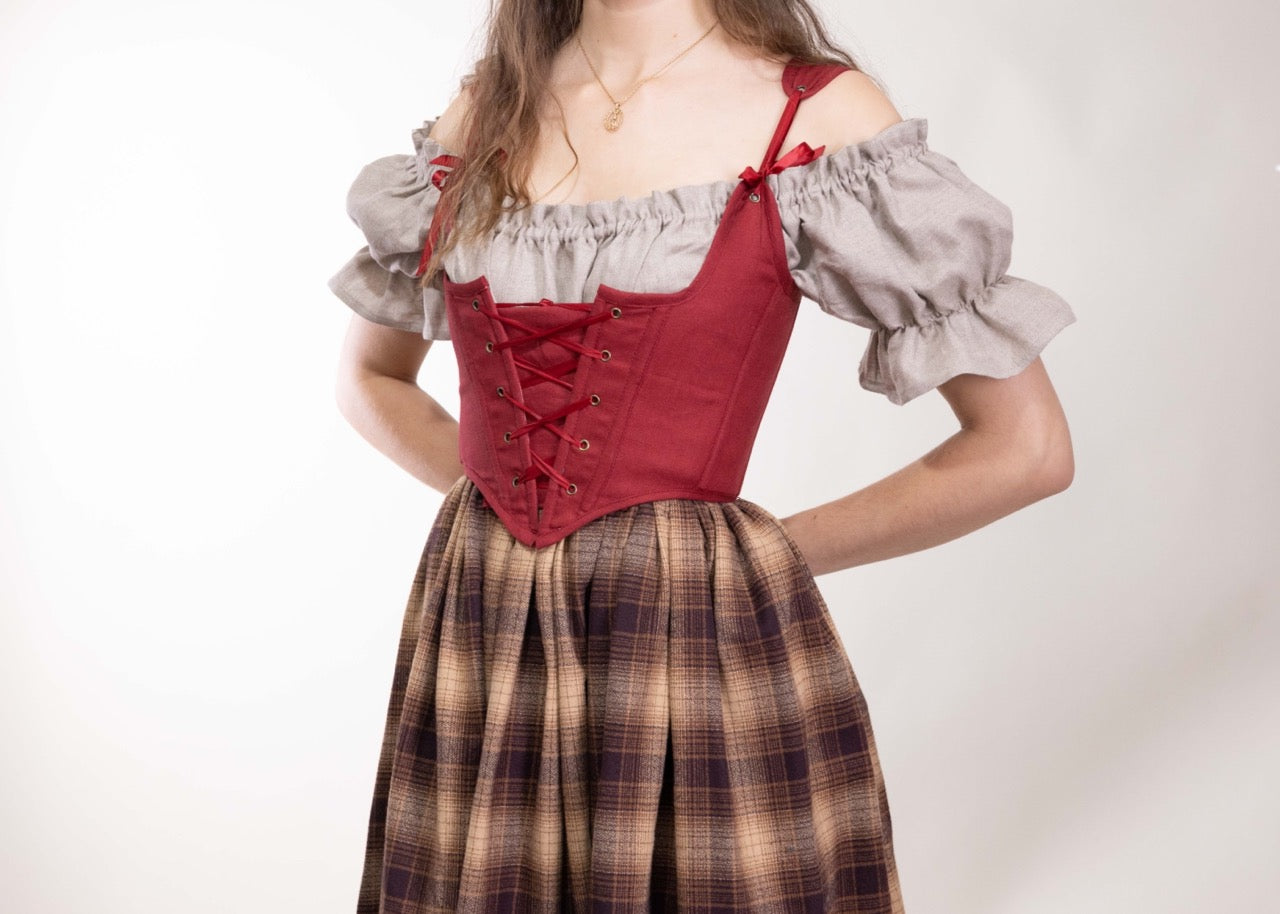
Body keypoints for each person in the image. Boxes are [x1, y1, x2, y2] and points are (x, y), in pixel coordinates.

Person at [328, 1, 1076, 911]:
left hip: (685, 643)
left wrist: (760, 558)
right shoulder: (485, 111)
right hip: (482, 636)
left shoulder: (813, 118)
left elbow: (1025, 447)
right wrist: (516, 509)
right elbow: (374, 380)